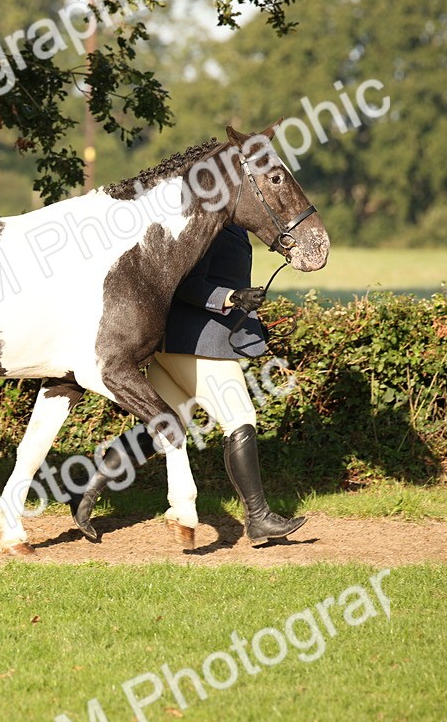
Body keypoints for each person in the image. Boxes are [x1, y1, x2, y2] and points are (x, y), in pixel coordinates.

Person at [71, 223, 305, 546]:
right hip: (195, 343)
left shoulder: (223, 223)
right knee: (239, 419)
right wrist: (233, 297)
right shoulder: (214, 225)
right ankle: (258, 517)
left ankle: (87, 489)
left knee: (163, 427)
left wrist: (247, 314)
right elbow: (188, 284)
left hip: (177, 342)